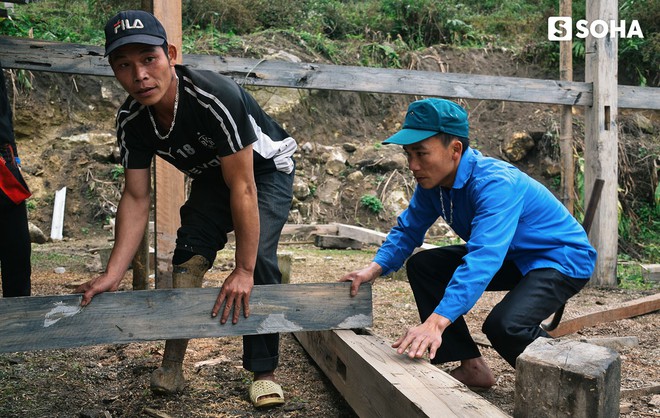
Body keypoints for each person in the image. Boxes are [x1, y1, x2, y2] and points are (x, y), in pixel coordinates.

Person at [75, 10, 296, 408]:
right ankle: (172, 365)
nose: (139, 75)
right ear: (113, 70)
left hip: (262, 170)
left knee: (260, 258)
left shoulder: (213, 97)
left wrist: (242, 269)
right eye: (124, 65)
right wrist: (113, 272)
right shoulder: (131, 120)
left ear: (170, 55)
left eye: (149, 59)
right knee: (188, 256)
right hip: (214, 176)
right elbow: (137, 197)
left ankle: (264, 372)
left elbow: (244, 186)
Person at [340, 98, 596, 389]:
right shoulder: (432, 183)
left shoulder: (495, 183)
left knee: (505, 326)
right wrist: (373, 269)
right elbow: (409, 229)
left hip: (560, 259)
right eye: (408, 154)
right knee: (425, 266)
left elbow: (484, 257)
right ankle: (472, 367)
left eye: (421, 154)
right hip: (513, 256)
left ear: (455, 150)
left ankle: (574, 386)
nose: (413, 165)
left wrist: (436, 323)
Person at [0, 59, 32, 298]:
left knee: (17, 250)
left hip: (3, 160)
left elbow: (4, 117)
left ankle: (21, 324)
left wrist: (14, 156)